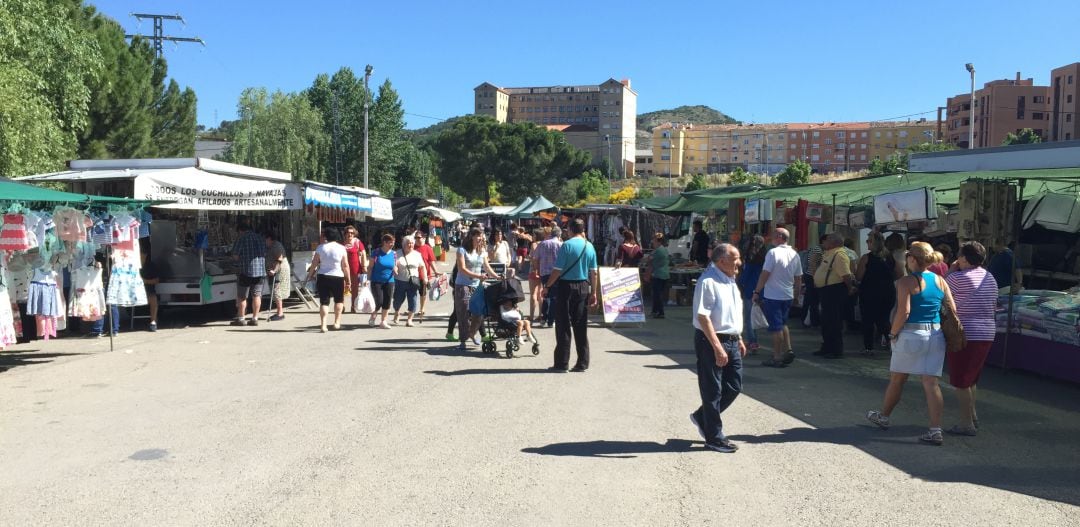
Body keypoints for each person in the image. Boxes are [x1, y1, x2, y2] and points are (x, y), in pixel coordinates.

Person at [866, 241, 957, 446]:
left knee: (898, 379)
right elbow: (952, 309)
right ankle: (935, 430)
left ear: (912, 259)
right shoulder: (940, 280)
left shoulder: (906, 282)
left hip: (911, 334)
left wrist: (892, 333)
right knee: (931, 384)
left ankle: (884, 416)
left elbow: (904, 312)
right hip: (935, 334)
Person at [689, 243, 746, 453]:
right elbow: (703, 317)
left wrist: (738, 337)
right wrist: (717, 347)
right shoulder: (708, 281)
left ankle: (701, 417)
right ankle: (714, 436)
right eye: (735, 258)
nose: (739, 262)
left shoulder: (729, 279)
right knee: (712, 390)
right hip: (712, 340)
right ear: (721, 260)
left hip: (731, 339)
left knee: (734, 386)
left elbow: (730, 312)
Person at [944, 241, 998, 436]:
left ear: (964, 259)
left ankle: (966, 423)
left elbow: (942, 292)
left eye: (959, 255)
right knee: (972, 378)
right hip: (987, 331)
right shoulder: (989, 277)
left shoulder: (957, 278)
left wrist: (950, 271)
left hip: (966, 333)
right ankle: (972, 415)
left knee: (961, 381)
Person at [545, 219, 599, 372]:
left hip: (566, 286)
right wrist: (593, 292)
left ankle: (562, 363)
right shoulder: (590, 246)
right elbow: (594, 272)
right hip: (583, 286)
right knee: (580, 324)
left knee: (563, 325)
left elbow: (557, 270)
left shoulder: (567, 245)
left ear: (570, 229)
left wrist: (547, 286)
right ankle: (582, 362)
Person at [754, 228, 803, 367]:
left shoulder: (773, 253)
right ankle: (788, 350)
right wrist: (796, 294)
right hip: (787, 295)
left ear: (780, 237)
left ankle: (776, 356)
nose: (771, 237)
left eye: (773, 235)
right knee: (783, 324)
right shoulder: (794, 254)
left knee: (776, 328)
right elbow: (798, 277)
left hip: (773, 295)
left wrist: (756, 291)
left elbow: (765, 274)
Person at [813, 232, 856, 358]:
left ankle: (836, 350)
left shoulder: (839, 255)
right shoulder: (829, 253)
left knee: (834, 321)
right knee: (826, 321)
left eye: (827, 240)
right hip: (826, 291)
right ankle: (827, 347)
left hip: (834, 291)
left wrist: (849, 288)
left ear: (834, 242)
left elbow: (846, 275)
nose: (824, 242)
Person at [454, 229, 498, 351]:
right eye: (478, 236)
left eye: (481, 236)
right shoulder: (461, 250)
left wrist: (497, 276)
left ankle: (472, 333)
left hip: (477, 286)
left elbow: (487, 267)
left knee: (479, 312)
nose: (480, 238)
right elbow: (461, 269)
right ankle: (463, 339)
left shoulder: (482, 251)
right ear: (471, 237)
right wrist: (478, 276)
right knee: (463, 312)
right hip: (463, 284)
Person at [855, 231, 896, 355]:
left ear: (875, 243)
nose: (867, 243)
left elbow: (859, 277)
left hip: (869, 293)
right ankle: (892, 343)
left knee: (868, 320)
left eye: (869, 241)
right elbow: (898, 274)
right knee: (883, 320)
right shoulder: (890, 257)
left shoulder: (866, 258)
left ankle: (868, 348)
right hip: (887, 292)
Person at [306, 228, 350, 332]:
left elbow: (314, 263)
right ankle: (337, 322)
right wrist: (348, 280)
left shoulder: (320, 248)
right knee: (339, 300)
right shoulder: (342, 248)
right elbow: (345, 265)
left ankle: (323, 325)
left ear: (326, 236)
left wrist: (310, 274)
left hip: (323, 276)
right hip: (338, 276)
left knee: (324, 302)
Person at [231, 222, 266, 326]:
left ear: (240, 230)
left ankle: (241, 318)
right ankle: (255, 318)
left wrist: (236, 259)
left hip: (245, 271)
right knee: (257, 295)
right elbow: (264, 253)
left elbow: (236, 256)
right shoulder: (260, 238)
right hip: (259, 271)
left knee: (242, 296)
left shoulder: (241, 238)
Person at [737, 235, 765, 353]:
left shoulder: (751, 259)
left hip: (749, 291)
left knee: (749, 318)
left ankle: (752, 341)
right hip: (763, 290)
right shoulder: (765, 257)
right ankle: (753, 340)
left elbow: (744, 277)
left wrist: (738, 281)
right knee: (755, 316)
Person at [391, 237, 427, 327]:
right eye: (408, 243)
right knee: (397, 300)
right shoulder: (397, 253)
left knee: (413, 300)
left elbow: (422, 267)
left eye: (412, 243)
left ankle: (409, 320)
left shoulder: (417, 254)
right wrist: (394, 268)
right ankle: (397, 312)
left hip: (413, 281)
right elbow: (393, 264)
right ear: (403, 244)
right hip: (400, 281)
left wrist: (425, 278)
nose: (410, 245)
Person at [533, 226, 563, 328]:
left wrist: (536, 269)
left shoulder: (542, 244)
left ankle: (543, 318)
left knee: (546, 296)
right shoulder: (561, 245)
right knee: (554, 297)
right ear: (559, 235)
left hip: (544, 273)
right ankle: (551, 320)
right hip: (556, 274)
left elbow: (535, 258)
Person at [367, 234, 397, 329]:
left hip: (389, 281)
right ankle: (373, 315)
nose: (392, 244)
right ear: (384, 242)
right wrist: (368, 279)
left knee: (387, 302)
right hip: (376, 280)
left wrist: (396, 269)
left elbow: (395, 265)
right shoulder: (376, 252)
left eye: (393, 242)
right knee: (379, 301)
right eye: (390, 242)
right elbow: (370, 267)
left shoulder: (394, 254)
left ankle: (383, 321)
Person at [643, 233, 672, 319]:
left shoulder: (658, 251)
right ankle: (655, 311)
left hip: (659, 275)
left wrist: (644, 260)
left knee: (657, 294)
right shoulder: (664, 249)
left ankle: (660, 312)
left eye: (654, 239)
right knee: (657, 294)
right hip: (664, 274)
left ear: (657, 241)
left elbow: (648, 260)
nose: (652, 241)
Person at [264, 232, 292, 322]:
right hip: (275, 269)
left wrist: (274, 270)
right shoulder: (272, 245)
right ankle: (279, 311)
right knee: (275, 290)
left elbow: (279, 259)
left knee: (276, 290)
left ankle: (280, 313)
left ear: (270, 239)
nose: (265, 241)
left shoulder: (276, 246)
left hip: (278, 270)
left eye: (266, 239)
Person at [414, 231, 437, 320]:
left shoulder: (427, 248)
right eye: (416, 238)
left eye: (418, 237)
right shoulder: (412, 247)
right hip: (413, 274)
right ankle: (412, 308)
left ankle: (422, 308)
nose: (417, 239)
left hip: (424, 275)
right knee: (411, 293)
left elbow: (431, 261)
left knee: (422, 293)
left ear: (424, 238)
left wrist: (436, 271)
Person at [344, 226, 366, 313]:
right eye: (348, 232)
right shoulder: (342, 243)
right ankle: (341, 306)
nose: (350, 234)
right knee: (342, 288)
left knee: (355, 289)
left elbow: (363, 253)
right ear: (345, 234)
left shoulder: (357, 242)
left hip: (355, 269)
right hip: (343, 269)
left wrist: (364, 266)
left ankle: (353, 306)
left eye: (352, 233)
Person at [139, 239, 160, 332]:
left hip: (148, 290)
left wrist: (144, 281)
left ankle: (153, 322)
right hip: (135, 291)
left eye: (141, 254)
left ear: (145, 255)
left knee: (153, 298)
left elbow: (156, 280)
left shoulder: (151, 266)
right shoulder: (133, 267)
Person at [527, 228, 544, 322]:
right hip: (542, 271)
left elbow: (534, 258)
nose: (532, 236)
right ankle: (541, 315)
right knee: (540, 294)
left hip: (534, 270)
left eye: (533, 235)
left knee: (533, 294)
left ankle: (531, 315)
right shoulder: (544, 244)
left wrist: (529, 257)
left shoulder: (534, 244)